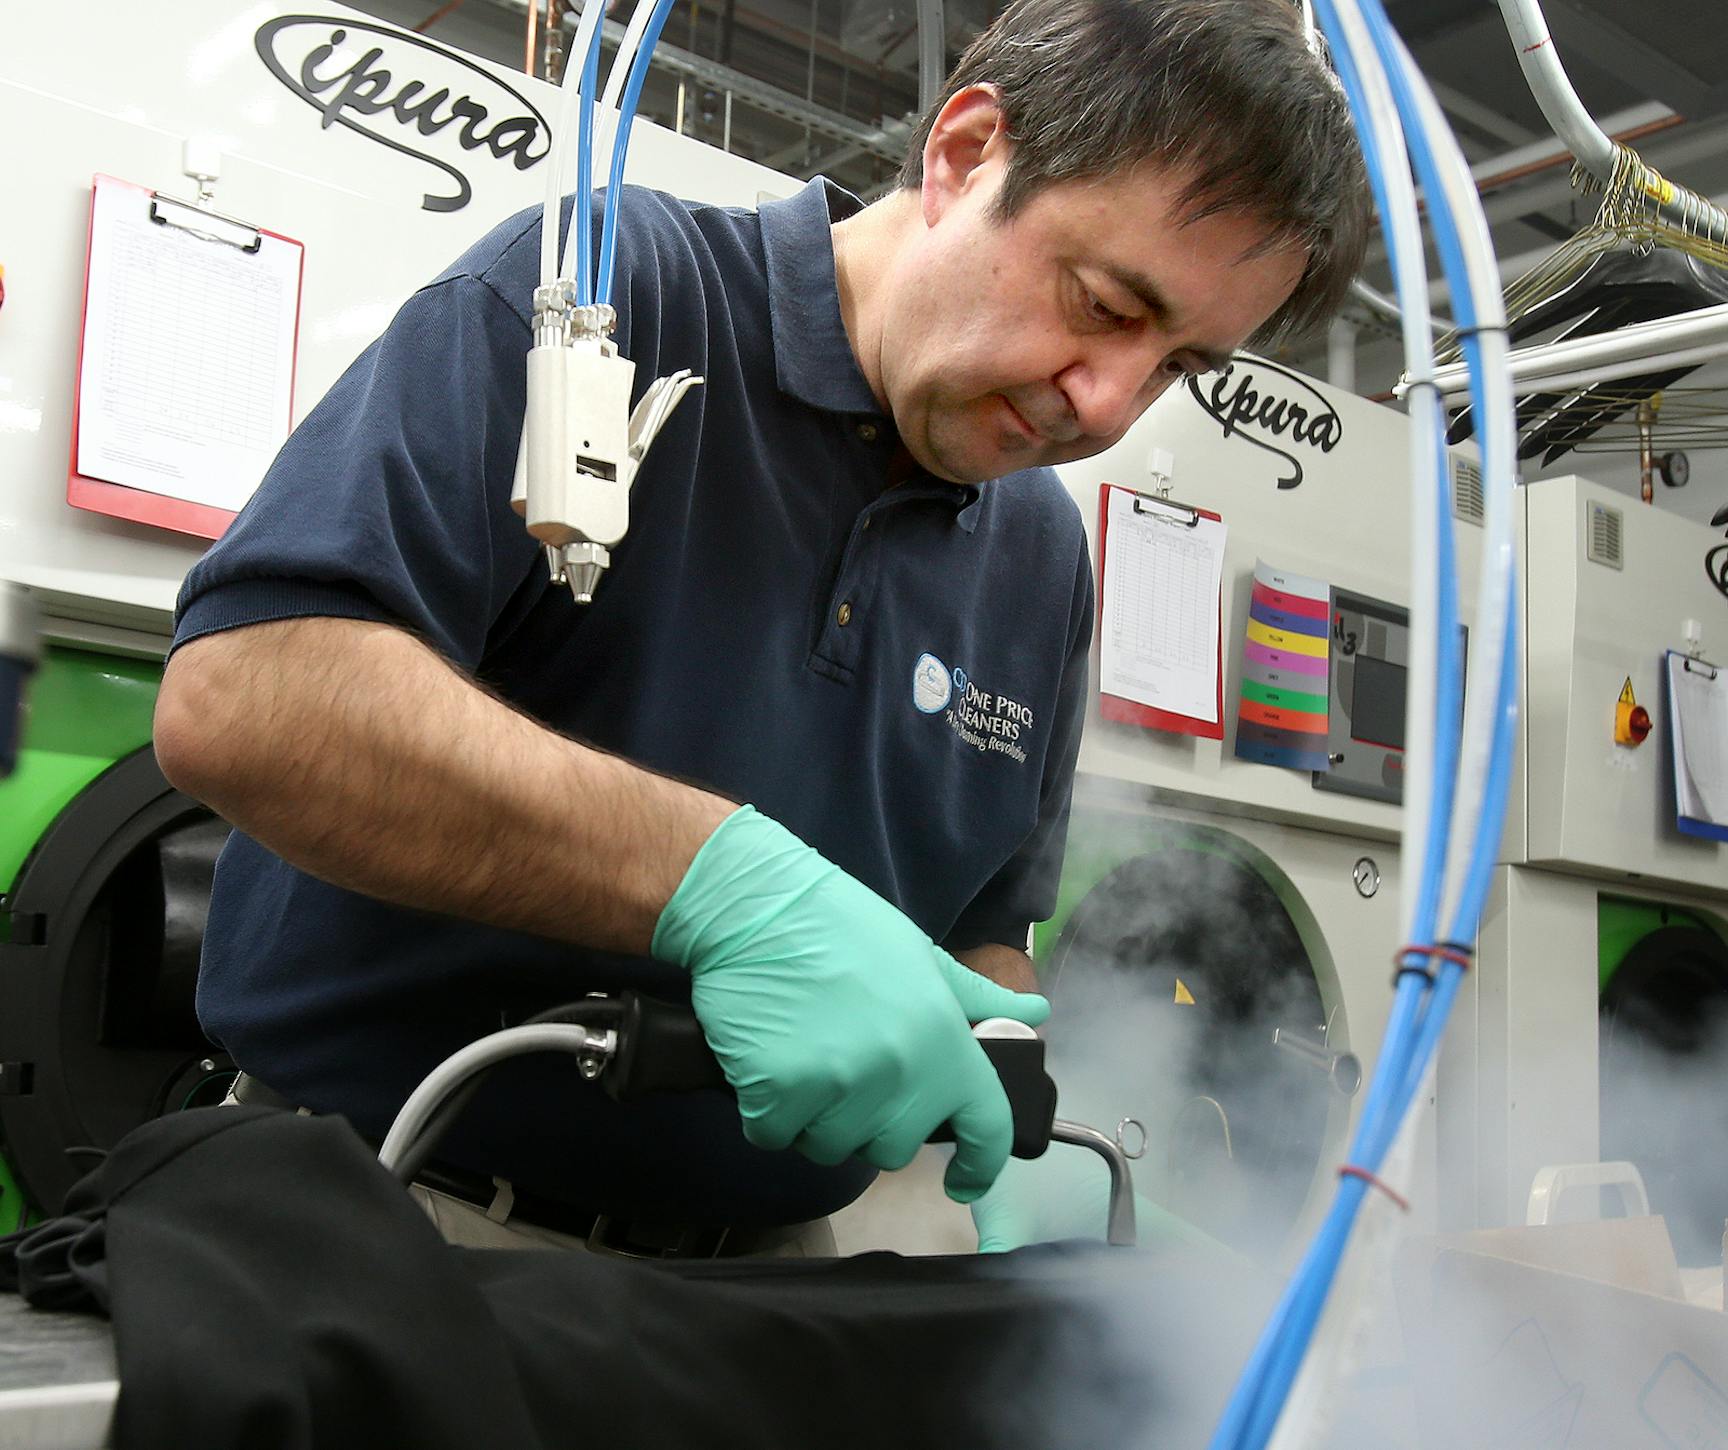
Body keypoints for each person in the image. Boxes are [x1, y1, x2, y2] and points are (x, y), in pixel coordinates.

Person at [152, 0, 1367, 1257]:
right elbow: (247, 696)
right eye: (1108, 305)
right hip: (396, 1217)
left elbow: (984, 930)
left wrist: (1007, 1089)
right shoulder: (607, 298)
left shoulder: (1044, 556)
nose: (1108, 403)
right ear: (962, 154)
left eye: (1177, 365)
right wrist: (714, 883)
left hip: (765, 1278)